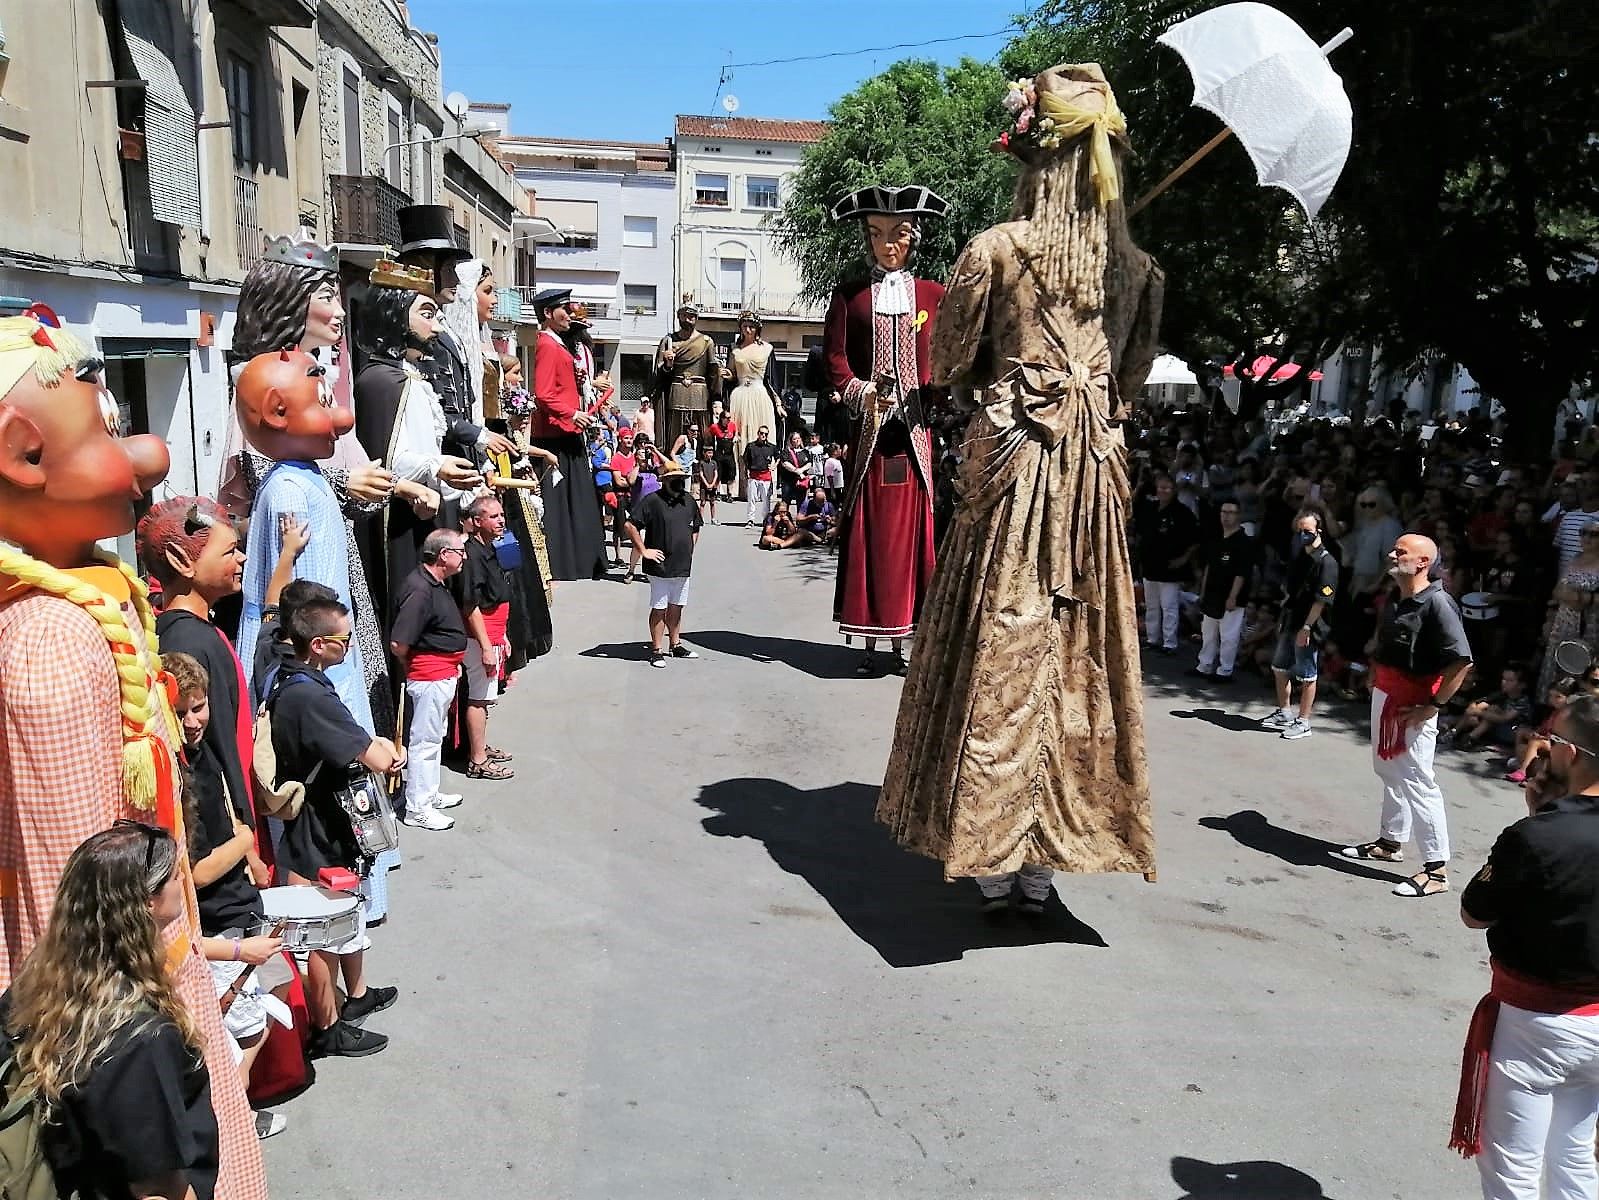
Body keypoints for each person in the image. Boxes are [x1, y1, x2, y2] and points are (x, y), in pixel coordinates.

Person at [876, 64, 1163, 911]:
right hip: (1094, 472)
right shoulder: (1141, 271)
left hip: (1017, 467)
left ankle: (993, 854)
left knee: (999, 630)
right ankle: (1042, 861)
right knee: (1076, 643)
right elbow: (1133, 379)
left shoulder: (996, 250)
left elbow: (949, 360)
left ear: (1033, 158)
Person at [0, 309, 263, 1197]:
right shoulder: (53, 640)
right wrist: (126, 1075)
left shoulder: (83, 602)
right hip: (124, 1023)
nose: (149, 455)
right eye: (110, 432)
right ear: (23, 456)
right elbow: (68, 893)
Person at [2, 824, 221, 1200]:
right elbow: (156, 1187)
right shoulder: (140, 1036)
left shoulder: (35, 985)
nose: (182, 877)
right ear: (146, 902)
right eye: (171, 874)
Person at [1453, 693, 1599, 1198]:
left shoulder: (1537, 836)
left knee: (1512, 1166)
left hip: (1536, 1023)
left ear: (1571, 755)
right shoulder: (1542, 833)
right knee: (1575, 1154)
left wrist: (1537, 821)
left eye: (1554, 740)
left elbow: (1474, 912)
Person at [267, 593, 401, 1055]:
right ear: (320, 644)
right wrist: (387, 749)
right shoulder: (309, 695)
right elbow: (377, 756)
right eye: (344, 639)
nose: (350, 645)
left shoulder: (290, 675)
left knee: (342, 913)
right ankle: (326, 1028)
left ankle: (352, 1001)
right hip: (320, 822)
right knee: (321, 925)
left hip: (316, 815)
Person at [162, 652, 289, 1133]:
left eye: (201, 707)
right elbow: (194, 873)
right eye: (183, 712)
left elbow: (233, 815)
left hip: (240, 911)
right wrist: (244, 842)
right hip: (218, 922)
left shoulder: (204, 754)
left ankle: (232, 1112)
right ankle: (234, 1119)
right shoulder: (176, 774)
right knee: (241, 1031)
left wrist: (249, 853)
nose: (195, 721)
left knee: (259, 1007)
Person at [822, 184, 945, 675]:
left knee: (913, 539)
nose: (886, 245)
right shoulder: (850, 297)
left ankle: (910, 640)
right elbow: (834, 361)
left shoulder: (935, 295)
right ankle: (873, 644)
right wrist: (862, 392)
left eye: (897, 235)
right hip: (871, 440)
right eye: (876, 235)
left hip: (914, 438)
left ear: (912, 238)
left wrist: (934, 387)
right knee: (873, 537)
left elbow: (948, 356)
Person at [139, 497, 269, 878]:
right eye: (230, 551)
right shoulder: (190, 644)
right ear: (183, 561)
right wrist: (248, 850)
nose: (241, 559)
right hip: (222, 834)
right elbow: (212, 751)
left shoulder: (194, 630)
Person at [1338, 534, 1473, 897]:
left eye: (1401, 552)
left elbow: (1460, 661)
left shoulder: (1438, 603)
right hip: (1387, 695)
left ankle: (1437, 869)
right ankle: (1390, 842)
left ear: (1423, 562)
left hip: (1413, 705)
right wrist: (1374, 674)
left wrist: (1435, 706)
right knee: (1389, 769)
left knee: (1417, 778)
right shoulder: (1399, 598)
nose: (1392, 555)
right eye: (1394, 549)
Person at [389, 528, 470, 830]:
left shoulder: (434, 584)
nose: (464, 558)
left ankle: (429, 793)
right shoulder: (419, 590)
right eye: (460, 552)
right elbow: (399, 643)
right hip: (429, 674)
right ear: (443, 555)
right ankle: (417, 808)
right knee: (424, 740)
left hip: (443, 672)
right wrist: (423, 665)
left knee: (435, 737)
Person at [529, 288, 608, 581]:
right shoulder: (547, 345)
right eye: (564, 308)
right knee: (562, 503)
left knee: (572, 501)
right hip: (556, 435)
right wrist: (572, 413)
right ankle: (565, 562)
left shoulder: (556, 344)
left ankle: (577, 561)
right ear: (549, 313)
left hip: (565, 432)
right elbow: (543, 394)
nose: (571, 313)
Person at [1260, 509, 1339, 741]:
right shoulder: (1300, 557)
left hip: (1309, 625)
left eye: (1308, 531)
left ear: (1319, 531)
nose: (1303, 535)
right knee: (1279, 667)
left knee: (1307, 674)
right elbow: (1291, 591)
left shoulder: (1328, 563)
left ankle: (1303, 721)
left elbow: (1321, 601)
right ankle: (1284, 712)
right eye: (1299, 531)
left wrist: (1307, 627)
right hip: (1291, 619)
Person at [623, 460, 702, 669]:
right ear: (665, 481)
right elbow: (630, 525)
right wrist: (643, 550)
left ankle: (675, 644)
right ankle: (656, 649)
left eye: (681, 479)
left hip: (683, 565)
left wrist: (690, 547)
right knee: (659, 608)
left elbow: (696, 526)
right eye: (675, 479)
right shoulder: (652, 501)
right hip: (660, 566)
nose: (679, 483)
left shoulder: (688, 500)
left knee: (677, 606)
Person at [460, 495, 516, 782]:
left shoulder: (490, 549)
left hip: (494, 632)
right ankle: (478, 760)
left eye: (501, 515)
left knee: (487, 696)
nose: (501, 520)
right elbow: (471, 606)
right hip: (481, 637)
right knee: (480, 697)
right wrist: (485, 645)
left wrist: (502, 635)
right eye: (493, 517)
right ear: (477, 521)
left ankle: (480, 747)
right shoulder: (471, 556)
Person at [1192, 499, 1256, 681]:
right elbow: (1209, 568)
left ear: (1238, 516)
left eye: (1231, 513)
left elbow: (1241, 573)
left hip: (1232, 596)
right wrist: (1202, 592)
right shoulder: (1216, 538)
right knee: (1208, 632)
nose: (1226, 516)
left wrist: (1233, 596)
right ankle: (1204, 665)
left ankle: (1225, 670)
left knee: (1228, 635)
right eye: (1224, 512)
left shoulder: (1243, 542)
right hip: (1212, 593)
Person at [1136, 474, 1199, 654]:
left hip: (1171, 569)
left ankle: (1170, 643)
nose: (1163, 491)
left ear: (1174, 490)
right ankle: (1152, 638)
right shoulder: (1150, 508)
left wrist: (1184, 559)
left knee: (1169, 607)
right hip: (1150, 566)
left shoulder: (1182, 512)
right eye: (1160, 487)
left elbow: (1195, 540)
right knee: (1152, 605)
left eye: (1167, 488)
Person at [1537, 522, 1599, 695]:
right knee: (1559, 665)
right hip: (1564, 622)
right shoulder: (1575, 558)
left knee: (1584, 670)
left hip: (1590, 626)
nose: (1586, 538)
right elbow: (1557, 589)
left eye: (1594, 534)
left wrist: (1581, 598)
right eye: (1583, 533)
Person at [653, 304, 722, 451]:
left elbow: (712, 372)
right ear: (678, 317)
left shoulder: (706, 341)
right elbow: (659, 374)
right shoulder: (668, 341)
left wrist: (716, 397)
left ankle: (702, 462)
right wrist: (667, 364)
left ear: (696, 318)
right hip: (677, 389)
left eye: (691, 316)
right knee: (674, 429)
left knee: (702, 430)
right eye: (683, 316)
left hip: (700, 391)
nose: (687, 319)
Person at [1447, 664, 1534, 752]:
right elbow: (1481, 702)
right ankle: (1457, 733)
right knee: (1493, 708)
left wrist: (1478, 712)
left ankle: (1468, 738)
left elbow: (1504, 718)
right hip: (1498, 729)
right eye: (1503, 679)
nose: (1504, 682)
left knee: (1493, 712)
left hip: (1513, 733)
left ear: (1522, 685)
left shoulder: (1523, 700)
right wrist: (1474, 710)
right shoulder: (1502, 694)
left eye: (1509, 680)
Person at [743, 426, 778, 530]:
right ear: (758, 433)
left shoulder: (771, 447)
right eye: (762, 433)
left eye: (766, 434)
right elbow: (745, 460)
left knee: (766, 500)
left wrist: (774, 465)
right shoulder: (751, 446)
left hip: (766, 476)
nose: (763, 435)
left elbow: (778, 458)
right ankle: (750, 520)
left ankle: (766, 519)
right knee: (751, 499)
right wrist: (746, 472)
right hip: (753, 476)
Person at [707, 401, 739, 502]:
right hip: (719, 452)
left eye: (730, 418)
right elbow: (709, 436)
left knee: (731, 474)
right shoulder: (715, 427)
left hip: (729, 452)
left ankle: (730, 494)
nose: (729, 420)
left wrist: (736, 437)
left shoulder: (732, 425)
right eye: (727, 418)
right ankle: (717, 493)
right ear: (722, 418)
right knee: (718, 473)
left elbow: (736, 433)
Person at [778, 431, 810, 506]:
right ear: (791, 440)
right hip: (788, 481)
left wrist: (801, 470)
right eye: (795, 439)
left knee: (802, 503)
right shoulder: (786, 452)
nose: (797, 440)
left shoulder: (805, 452)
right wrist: (797, 471)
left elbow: (809, 463)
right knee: (785, 503)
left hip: (801, 481)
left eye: (798, 438)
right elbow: (785, 464)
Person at [696, 443, 721, 525]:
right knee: (702, 503)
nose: (710, 455)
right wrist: (706, 484)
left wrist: (713, 483)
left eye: (711, 453)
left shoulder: (714, 463)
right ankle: (701, 519)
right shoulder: (702, 463)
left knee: (712, 502)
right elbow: (701, 474)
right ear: (704, 453)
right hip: (704, 486)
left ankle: (713, 518)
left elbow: (716, 473)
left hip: (712, 485)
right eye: (708, 453)